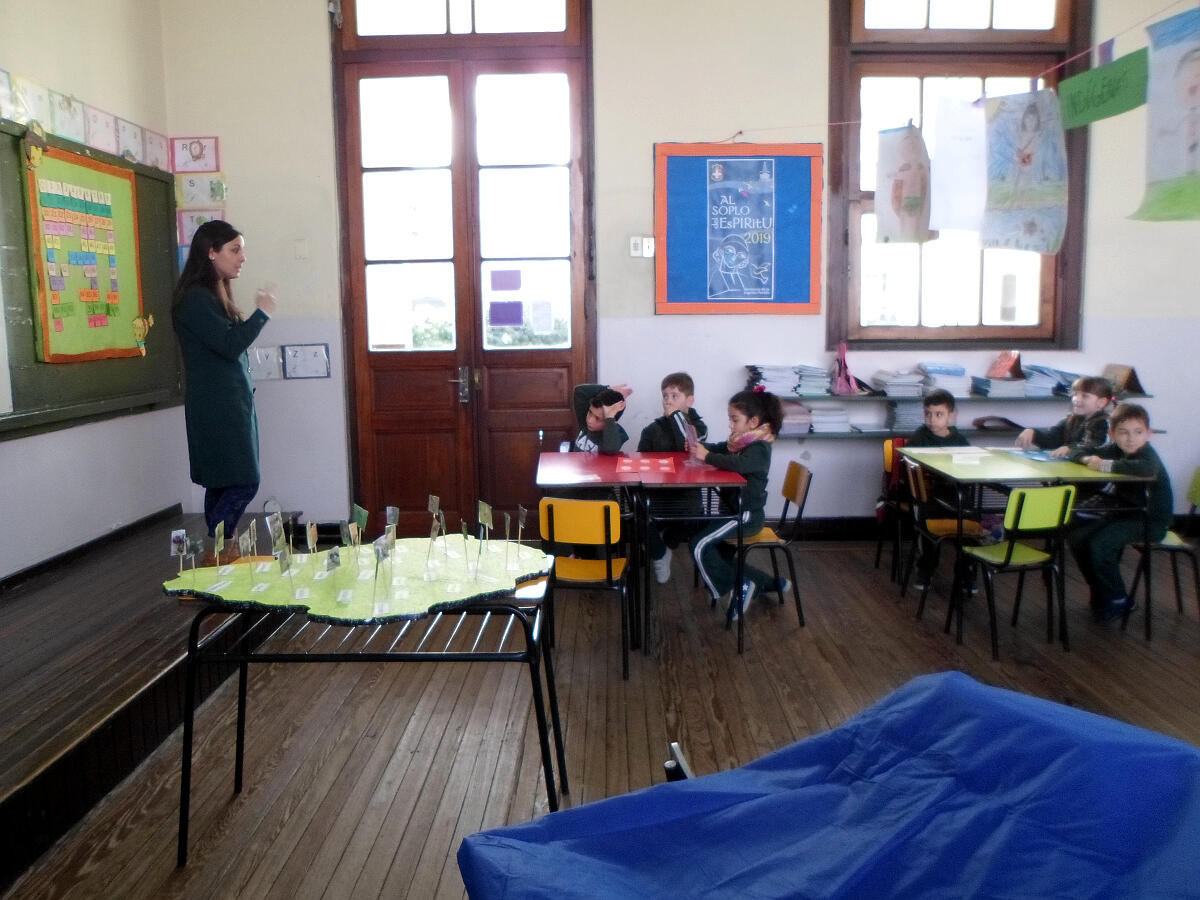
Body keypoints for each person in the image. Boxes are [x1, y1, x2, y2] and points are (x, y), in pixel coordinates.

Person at [173, 220, 277, 550]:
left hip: (230, 404)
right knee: (244, 481)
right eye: (234, 250)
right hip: (217, 407)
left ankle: (221, 551)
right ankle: (219, 548)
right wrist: (262, 313)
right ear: (211, 252)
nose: (242, 257)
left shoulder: (213, 294)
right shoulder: (195, 299)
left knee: (222, 483)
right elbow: (230, 345)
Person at [1068, 403, 1174, 623]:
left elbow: (1146, 469)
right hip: (1123, 515)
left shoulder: (1147, 454)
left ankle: (1119, 599)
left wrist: (1104, 465)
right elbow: (1077, 451)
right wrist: (1088, 459)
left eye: (1138, 432)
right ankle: (1101, 592)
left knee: (1101, 544)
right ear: (1112, 434)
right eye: (1123, 432)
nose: (1131, 439)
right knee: (1078, 538)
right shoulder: (1114, 450)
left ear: (1148, 434)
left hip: (1150, 522)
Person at [690, 389, 784, 619]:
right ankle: (766, 583)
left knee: (699, 544)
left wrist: (706, 456)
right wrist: (701, 448)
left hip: (746, 516)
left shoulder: (759, 447)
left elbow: (739, 465)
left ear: (753, 422)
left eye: (735, 420)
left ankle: (740, 585)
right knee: (719, 554)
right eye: (730, 419)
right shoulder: (740, 442)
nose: (731, 425)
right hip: (734, 512)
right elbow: (722, 448)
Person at [639, 372, 709, 583]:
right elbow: (640, 463)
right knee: (635, 512)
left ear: (690, 400)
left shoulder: (699, 427)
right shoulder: (652, 429)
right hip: (658, 494)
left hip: (687, 497)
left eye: (674, 396)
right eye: (665, 396)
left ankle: (664, 542)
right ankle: (660, 552)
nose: (667, 401)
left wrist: (676, 416)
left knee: (692, 518)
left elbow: (689, 444)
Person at [907, 389, 971, 591]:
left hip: (954, 496)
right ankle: (925, 570)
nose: (932, 419)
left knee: (970, 522)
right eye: (928, 414)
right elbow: (911, 466)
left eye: (939, 414)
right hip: (929, 495)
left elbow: (969, 465)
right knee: (928, 524)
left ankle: (966, 573)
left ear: (951, 416)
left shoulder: (960, 440)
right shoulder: (920, 438)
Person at [1015, 376, 1113, 459]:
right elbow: (1052, 439)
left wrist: (1070, 448)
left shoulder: (1103, 423)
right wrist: (1033, 432)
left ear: (1101, 402)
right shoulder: (1070, 419)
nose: (1076, 399)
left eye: (1085, 396)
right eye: (1075, 394)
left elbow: (1094, 445)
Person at [571, 383, 631, 454]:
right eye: (590, 412)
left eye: (597, 418)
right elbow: (579, 391)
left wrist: (609, 416)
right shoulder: (585, 421)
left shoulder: (617, 434)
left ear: (612, 421)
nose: (590, 420)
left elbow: (610, 450)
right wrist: (607, 389)